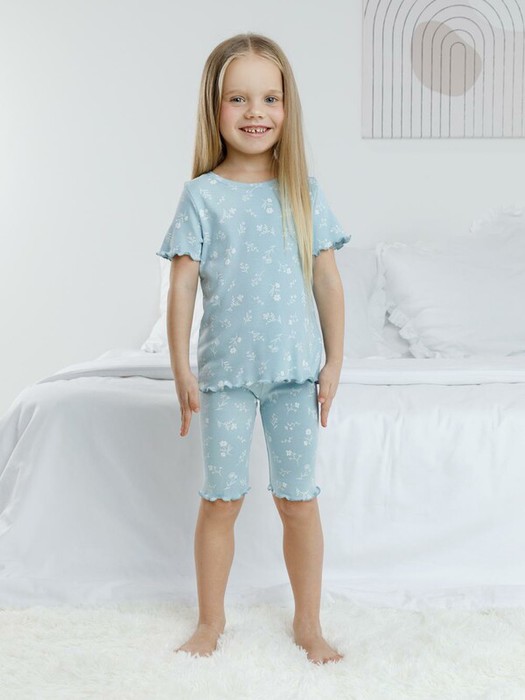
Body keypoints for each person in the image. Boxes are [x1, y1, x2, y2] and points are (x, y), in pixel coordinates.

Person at [156, 32, 350, 665]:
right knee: (222, 499)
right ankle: (210, 623)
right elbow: (182, 286)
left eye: (269, 98)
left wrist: (334, 361)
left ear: (287, 108)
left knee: (299, 500)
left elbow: (327, 280)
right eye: (238, 98)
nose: (255, 112)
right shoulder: (202, 196)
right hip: (227, 377)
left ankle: (309, 625)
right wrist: (181, 368)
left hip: (294, 374)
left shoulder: (303, 192)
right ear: (214, 108)